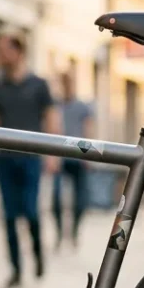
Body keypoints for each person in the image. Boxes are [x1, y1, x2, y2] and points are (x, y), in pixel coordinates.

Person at [0, 33, 59, 288]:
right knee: (9, 216)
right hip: (5, 159)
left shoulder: (39, 84)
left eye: (4, 50)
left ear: (18, 52)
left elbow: (51, 118)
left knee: (30, 211)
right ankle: (16, 269)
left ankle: (38, 256)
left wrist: (52, 154)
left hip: (31, 158)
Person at [52, 70, 94, 247]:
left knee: (81, 199)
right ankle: (60, 233)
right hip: (59, 157)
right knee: (56, 199)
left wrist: (89, 156)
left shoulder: (82, 107)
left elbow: (88, 130)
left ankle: (75, 231)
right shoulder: (55, 105)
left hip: (78, 157)